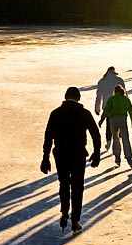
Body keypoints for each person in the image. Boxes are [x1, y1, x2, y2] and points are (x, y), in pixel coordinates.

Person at [41, 87, 101, 234]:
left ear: (65, 97)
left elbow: (48, 136)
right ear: (78, 98)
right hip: (78, 153)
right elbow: (96, 134)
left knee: (64, 183)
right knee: (77, 186)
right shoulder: (84, 113)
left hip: (61, 153)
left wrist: (45, 157)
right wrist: (97, 153)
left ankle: (64, 211)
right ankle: (75, 220)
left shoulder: (56, 113)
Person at [98, 85, 132, 169]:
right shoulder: (125, 99)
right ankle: (129, 157)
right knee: (125, 138)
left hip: (113, 120)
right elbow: (131, 111)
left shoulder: (111, 99)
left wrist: (102, 119)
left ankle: (117, 156)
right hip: (122, 119)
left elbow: (107, 110)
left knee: (115, 138)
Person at [95, 66, 125, 151]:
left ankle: (108, 141)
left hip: (107, 106)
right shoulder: (119, 80)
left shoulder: (102, 81)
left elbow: (99, 96)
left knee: (109, 124)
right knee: (118, 123)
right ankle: (118, 140)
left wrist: (97, 109)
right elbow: (124, 93)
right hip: (119, 106)